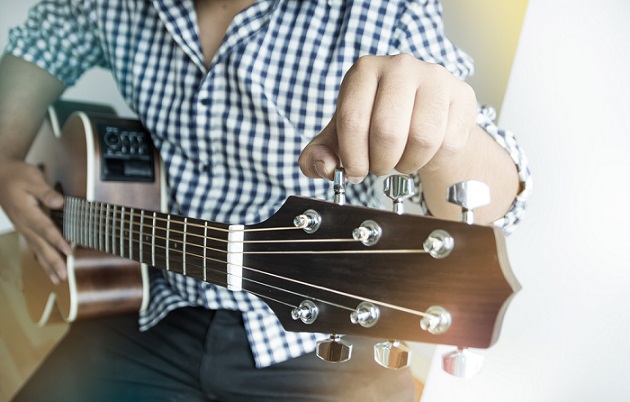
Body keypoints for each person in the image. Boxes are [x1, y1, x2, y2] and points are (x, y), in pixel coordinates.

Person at [0, 0, 531, 401]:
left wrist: (445, 138)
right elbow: (39, 43)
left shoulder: (384, 9)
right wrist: (3, 167)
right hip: (155, 302)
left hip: (323, 336)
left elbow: (490, 203)